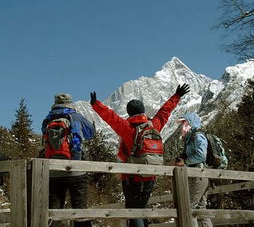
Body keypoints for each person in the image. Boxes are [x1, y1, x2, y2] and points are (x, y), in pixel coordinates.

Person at [90, 84, 190, 227]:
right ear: (143, 111)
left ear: (129, 113)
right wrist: (177, 96)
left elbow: (110, 117)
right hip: (150, 174)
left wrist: (96, 104)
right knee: (140, 209)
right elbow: (164, 112)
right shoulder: (153, 125)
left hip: (132, 177)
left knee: (134, 210)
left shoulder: (127, 128)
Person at [42, 93, 95, 227]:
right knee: (79, 208)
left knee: (54, 209)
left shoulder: (48, 119)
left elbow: (44, 134)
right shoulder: (76, 117)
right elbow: (91, 133)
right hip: (76, 170)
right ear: (70, 102)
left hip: (54, 170)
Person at [175, 112, 213, 227]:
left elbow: (201, 156)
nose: (182, 125)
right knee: (201, 210)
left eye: (184, 123)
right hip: (200, 175)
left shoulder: (197, 136)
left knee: (189, 208)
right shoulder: (191, 138)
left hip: (198, 175)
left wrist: (185, 161)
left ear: (190, 123)